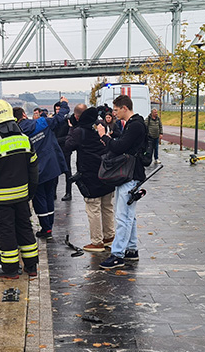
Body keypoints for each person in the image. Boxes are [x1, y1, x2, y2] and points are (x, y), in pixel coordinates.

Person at [0, 99, 40, 279]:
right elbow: (34, 171)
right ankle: (31, 266)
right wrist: (30, 194)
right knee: (24, 229)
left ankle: (11, 269)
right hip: (22, 198)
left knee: (6, 233)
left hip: (0, 201)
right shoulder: (25, 140)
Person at [97, 94, 147, 269]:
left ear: (125, 108)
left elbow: (119, 147)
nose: (115, 113)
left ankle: (117, 255)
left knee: (123, 216)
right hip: (132, 174)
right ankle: (131, 249)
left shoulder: (135, 126)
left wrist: (104, 137)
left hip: (130, 175)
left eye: (116, 110)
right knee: (129, 215)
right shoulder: (135, 124)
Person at [15, 98, 71, 239]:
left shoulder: (17, 134)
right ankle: (49, 227)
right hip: (52, 167)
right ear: (24, 115)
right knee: (49, 197)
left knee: (39, 199)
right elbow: (60, 117)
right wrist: (64, 103)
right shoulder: (41, 122)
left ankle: (46, 229)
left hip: (35, 172)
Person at [65, 107, 115, 252]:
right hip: (106, 172)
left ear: (77, 117)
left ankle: (97, 242)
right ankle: (109, 236)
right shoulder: (100, 126)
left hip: (89, 175)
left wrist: (71, 129)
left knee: (93, 208)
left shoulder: (79, 131)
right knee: (107, 206)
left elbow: (68, 146)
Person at [56, 102, 86, 202]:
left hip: (65, 149)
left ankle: (68, 192)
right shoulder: (55, 122)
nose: (57, 111)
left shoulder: (67, 122)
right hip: (56, 149)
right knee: (55, 172)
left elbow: (70, 136)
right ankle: (53, 193)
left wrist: (58, 140)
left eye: (59, 109)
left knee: (67, 171)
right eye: (56, 109)